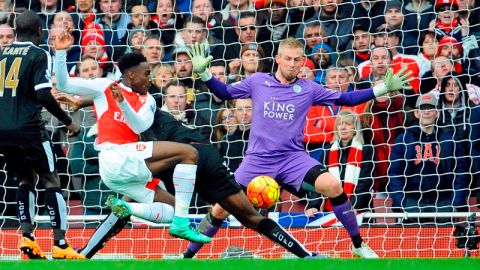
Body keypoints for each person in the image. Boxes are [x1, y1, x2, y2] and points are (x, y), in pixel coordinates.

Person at [184, 38, 414, 258]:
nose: (293, 64)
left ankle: (358, 244)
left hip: (293, 158)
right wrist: (204, 73)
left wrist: (382, 88)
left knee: (333, 185)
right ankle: (187, 256)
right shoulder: (258, 81)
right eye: (288, 59)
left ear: (303, 61)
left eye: (297, 60)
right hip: (258, 160)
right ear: (277, 59)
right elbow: (223, 93)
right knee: (220, 209)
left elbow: (348, 98)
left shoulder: (309, 88)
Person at [69, 108, 318, 259]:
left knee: (134, 198)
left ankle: (85, 253)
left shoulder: (138, 122)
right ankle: (306, 256)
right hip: (205, 158)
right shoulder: (154, 117)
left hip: (176, 162)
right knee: (251, 217)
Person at [53, 30, 210, 243]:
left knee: (174, 208)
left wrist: (123, 104)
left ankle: (128, 208)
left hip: (126, 167)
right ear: (131, 75)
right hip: (112, 158)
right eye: (146, 74)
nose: (150, 79)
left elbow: (139, 126)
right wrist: (61, 53)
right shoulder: (105, 87)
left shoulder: (149, 100)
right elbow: (64, 85)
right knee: (189, 153)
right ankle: (182, 224)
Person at [0, 11, 84, 259]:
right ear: (39, 31)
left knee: (26, 180)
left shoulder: (1, 54)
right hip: (29, 129)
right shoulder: (38, 54)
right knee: (51, 180)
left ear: (15, 31)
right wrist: (68, 121)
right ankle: (60, 243)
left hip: (4, 132)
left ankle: (27, 239)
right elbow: (43, 94)